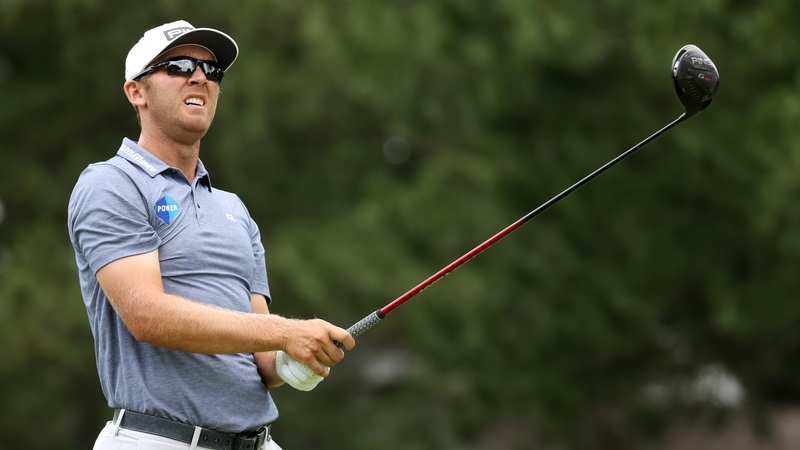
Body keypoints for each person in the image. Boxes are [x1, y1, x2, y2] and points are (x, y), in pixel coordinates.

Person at [67, 20, 355, 450]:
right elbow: (147, 317)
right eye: (179, 66)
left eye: (211, 70)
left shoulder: (234, 208)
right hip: (157, 440)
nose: (199, 76)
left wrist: (300, 357)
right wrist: (286, 333)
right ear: (136, 92)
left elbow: (261, 357)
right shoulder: (110, 184)